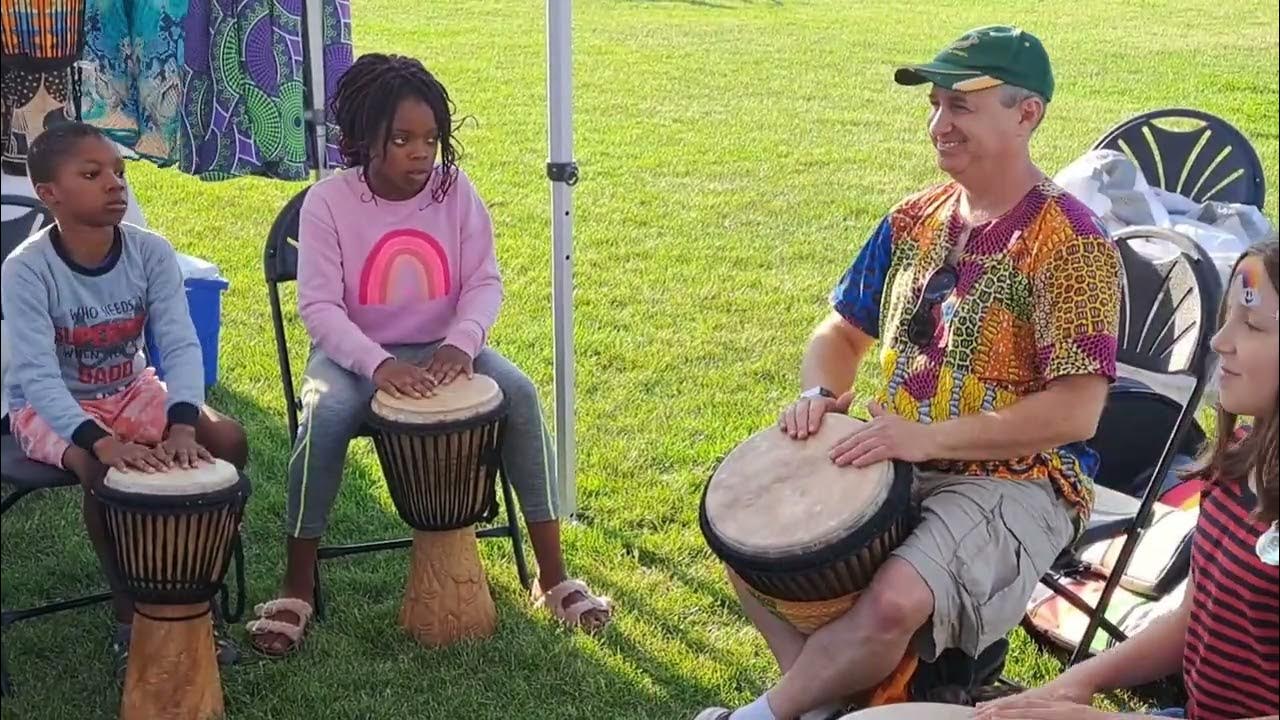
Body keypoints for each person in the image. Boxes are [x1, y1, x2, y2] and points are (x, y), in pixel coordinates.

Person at [697, 26, 1123, 720]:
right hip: (893, 449)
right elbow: (839, 333)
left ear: (1026, 115)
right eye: (935, 105)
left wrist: (928, 440)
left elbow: (1076, 412)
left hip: (1021, 476)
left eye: (960, 106)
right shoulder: (912, 220)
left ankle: (770, 714)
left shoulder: (1072, 243)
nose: (937, 125)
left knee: (893, 597)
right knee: (749, 543)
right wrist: (817, 393)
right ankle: (835, 702)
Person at [246, 53, 613, 655]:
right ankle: (296, 587)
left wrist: (460, 344)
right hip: (354, 359)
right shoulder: (328, 204)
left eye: (431, 139)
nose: (421, 152)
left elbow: (484, 283)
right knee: (325, 414)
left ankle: (553, 578)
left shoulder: (455, 190)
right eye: (402, 139)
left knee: (519, 393)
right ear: (364, 139)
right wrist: (380, 365)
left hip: (446, 353)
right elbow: (319, 310)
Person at [974, 241, 1280, 720]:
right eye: (1227, 320)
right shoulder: (1236, 459)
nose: (1220, 342)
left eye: (1254, 326)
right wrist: (1078, 682)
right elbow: (1191, 622)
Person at [1, 121, 250, 677]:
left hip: (130, 389)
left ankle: (192, 594)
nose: (114, 183)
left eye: (119, 171)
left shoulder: (151, 252)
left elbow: (181, 342)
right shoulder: (25, 269)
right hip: (50, 406)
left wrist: (183, 423)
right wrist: (101, 442)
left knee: (225, 438)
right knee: (104, 476)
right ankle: (129, 619)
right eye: (92, 175)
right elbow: (38, 378)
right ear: (49, 195)